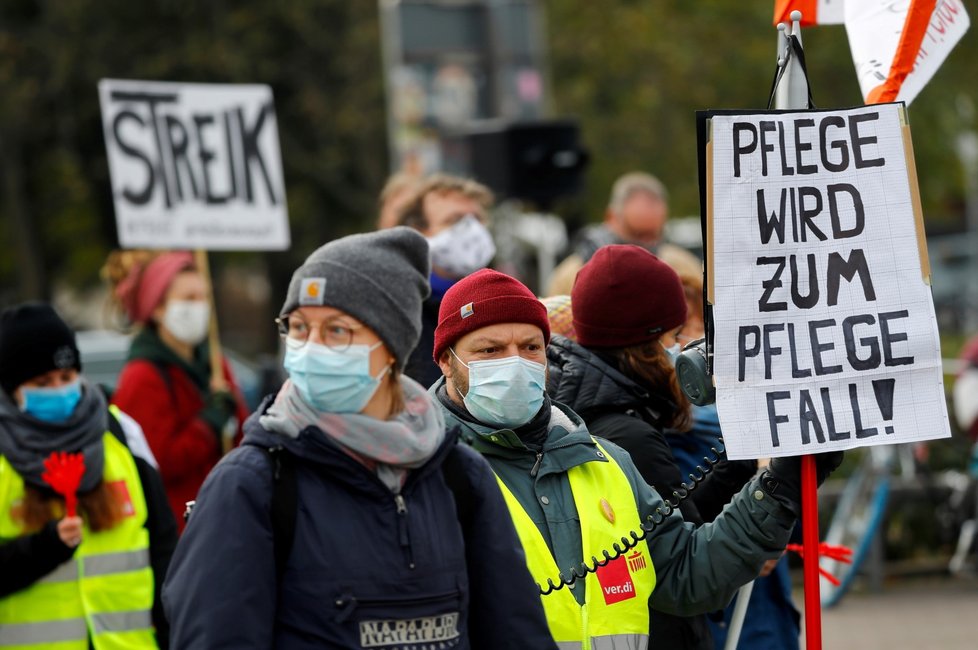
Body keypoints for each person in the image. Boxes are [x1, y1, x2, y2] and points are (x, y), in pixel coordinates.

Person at [162, 228, 556, 649]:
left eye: (335, 331)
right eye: (298, 328)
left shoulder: (458, 475)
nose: (310, 348)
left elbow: (516, 633)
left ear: (390, 346)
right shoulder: (254, 483)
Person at [429, 267, 842, 649]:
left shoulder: (606, 462)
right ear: (447, 360)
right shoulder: (426, 472)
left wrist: (779, 483)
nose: (515, 362)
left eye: (530, 347)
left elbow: (688, 574)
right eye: (490, 350)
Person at [545, 245, 759, 649]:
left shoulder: (587, 411)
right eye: (675, 336)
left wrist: (738, 456)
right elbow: (691, 557)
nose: (682, 349)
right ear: (645, 344)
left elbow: (668, 524)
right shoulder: (629, 437)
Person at [0, 302, 177, 648]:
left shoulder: (121, 433)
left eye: (67, 378)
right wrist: (42, 548)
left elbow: (164, 547)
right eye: (42, 382)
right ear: (10, 389)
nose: (59, 390)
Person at [103, 250, 250, 531]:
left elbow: (243, 440)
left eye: (203, 297)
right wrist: (208, 424)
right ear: (157, 308)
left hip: (227, 518)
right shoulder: (142, 376)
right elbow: (157, 463)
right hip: (180, 529)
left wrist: (233, 415)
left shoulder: (215, 364)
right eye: (188, 299)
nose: (200, 307)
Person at [397, 173, 497, 387]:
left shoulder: (504, 300)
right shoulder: (399, 307)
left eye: (477, 219)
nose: (471, 230)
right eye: (455, 220)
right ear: (418, 232)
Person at [546, 171, 701, 296]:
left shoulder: (683, 269)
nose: (645, 247)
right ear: (610, 217)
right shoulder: (571, 276)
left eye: (653, 236)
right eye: (637, 236)